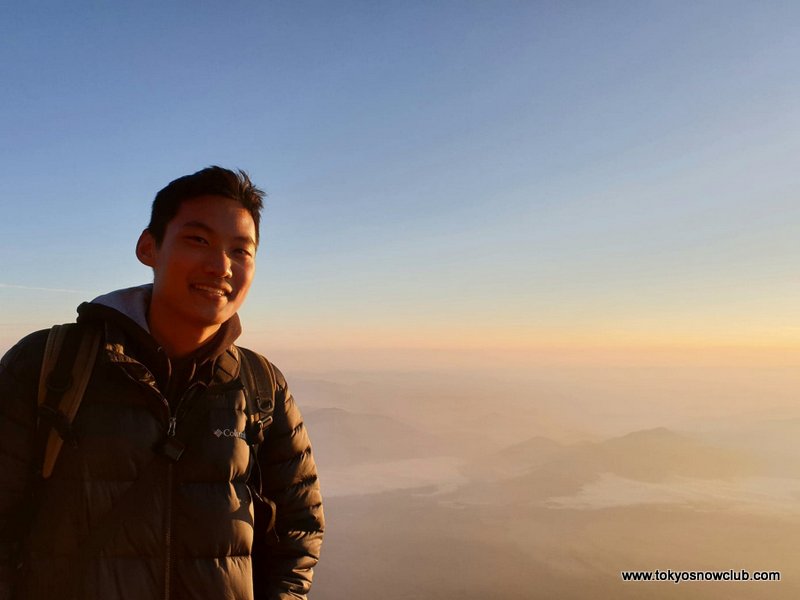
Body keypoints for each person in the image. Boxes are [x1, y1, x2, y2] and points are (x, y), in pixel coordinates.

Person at [0, 166, 324, 600]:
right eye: (198, 240)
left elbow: (299, 527)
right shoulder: (51, 365)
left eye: (240, 250)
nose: (220, 266)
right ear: (148, 247)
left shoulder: (260, 385)